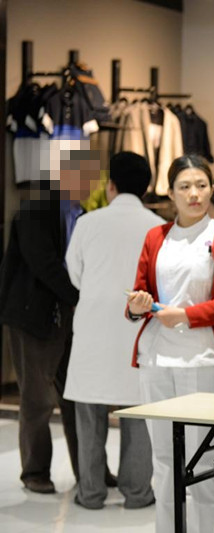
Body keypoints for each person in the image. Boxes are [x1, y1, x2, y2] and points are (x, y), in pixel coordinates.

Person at [126, 154, 214, 533]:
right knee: (163, 461)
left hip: (204, 359)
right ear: (171, 193)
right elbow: (140, 292)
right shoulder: (156, 236)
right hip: (156, 359)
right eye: (185, 187)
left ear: (212, 189)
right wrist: (136, 306)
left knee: (203, 460)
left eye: (201, 185)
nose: (194, 194)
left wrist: (186, 315)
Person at [0, 146, 103, 494]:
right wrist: (82, 298)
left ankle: (90, 470)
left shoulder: (83, 214)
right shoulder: (36, 210)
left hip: (71, 319)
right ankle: (35, 471)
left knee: (78, 397)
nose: (91, 184)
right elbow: (45, 265)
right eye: (86, 176)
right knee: (37, 399)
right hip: (34, 319)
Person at [64, 152, 162, 510]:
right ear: (147, 188)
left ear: (111, 186)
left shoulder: (88, 222)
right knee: (138, 412)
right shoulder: (158, 226)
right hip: (138, 331)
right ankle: (137, 492)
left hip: (93, 327)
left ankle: (90, 493)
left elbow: (74, 272)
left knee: (89, 413)